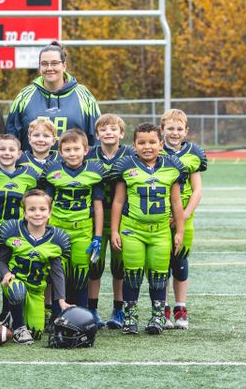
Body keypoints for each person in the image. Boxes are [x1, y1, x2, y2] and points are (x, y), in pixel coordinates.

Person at [110, 122, 186, 335]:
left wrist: (179, 231)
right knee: (132, 274)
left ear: (161, 144)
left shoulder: (172, 167)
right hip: (132, 229)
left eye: (152, 142)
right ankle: (130, 317)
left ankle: (157, 317)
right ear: (134, 145)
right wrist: (115, 231)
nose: (147, 146)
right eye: (141, 142)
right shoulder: (126, 166)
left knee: (159, 274)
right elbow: (117, 202)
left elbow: (176, 203)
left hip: (161, 230)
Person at [39, 129, 105, 313]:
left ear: (85, 150)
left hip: (82, 229)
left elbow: (98, 207)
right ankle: (56, 315)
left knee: (80, 272)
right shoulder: (53, 171)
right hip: (57, 228)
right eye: (67, 150)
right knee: (58, 271)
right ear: (60, 152)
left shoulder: (94, 171)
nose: (72, 153)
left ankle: (81, 314)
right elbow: (47, 202)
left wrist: (97, 236)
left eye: (76, 149)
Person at [0, 189, 72, 344]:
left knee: (37, 332)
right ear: (24, 213)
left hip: (37, 289)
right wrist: (5, 274)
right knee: (17, 291)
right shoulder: (13, 231)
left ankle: (14, 317)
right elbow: (0, 261)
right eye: (32, 209)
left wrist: (61, 300)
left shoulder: (56, 239)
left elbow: (58, 273)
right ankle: (18, 328)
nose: (37, 213)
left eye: (42, 209)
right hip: (15, 283)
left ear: (50, 212)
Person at [84, 114, 133, 329]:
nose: (108, 133)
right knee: (94, 266)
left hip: (123, 220)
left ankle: (118, 309)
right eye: (103, 129)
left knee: (119, 267)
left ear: (121, 133)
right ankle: (92, 309)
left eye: (113, 129)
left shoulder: (130, 155)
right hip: (94, 220)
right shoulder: (89, 155)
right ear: (97, 134)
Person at [6, 41, 100, 151]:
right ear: (39, 67)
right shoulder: (24, 96)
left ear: (64, 66)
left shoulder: (84, 95)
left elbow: (96, 137)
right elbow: (11, 136)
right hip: (31, 167)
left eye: (55, 63)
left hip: (73, 167)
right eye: (44, 64)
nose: (49, 68)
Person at [160, 109, 207, 329]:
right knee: (160, 265)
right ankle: (163, 308)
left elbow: (197, 190)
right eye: (170, 128)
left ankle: (180, 307)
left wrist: (183, 216)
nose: (174, 132)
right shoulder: (155, 150)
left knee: (179, 263)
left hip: (184, 216)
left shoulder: (193, 154)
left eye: (179, 129)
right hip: (159, 215)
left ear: (186, 131)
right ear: (162, 130)